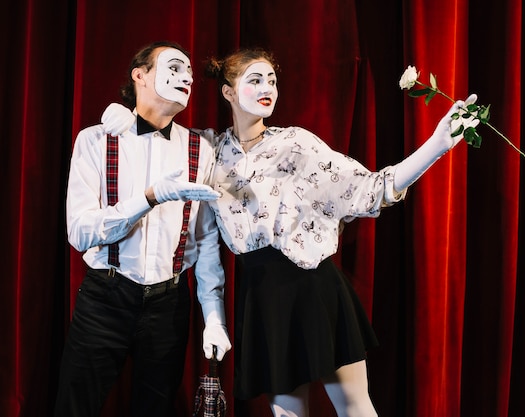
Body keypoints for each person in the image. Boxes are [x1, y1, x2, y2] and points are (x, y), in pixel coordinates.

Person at [103, 47, 477, 417]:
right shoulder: (207, 149)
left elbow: (371, 189)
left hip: (314, 287)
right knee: (287, 416)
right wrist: (123, 114)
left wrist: (437, 147)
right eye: (255, 80)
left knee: (355, 408)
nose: (268, 87)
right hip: (261, 297)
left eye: (272, 80)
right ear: (228, 92)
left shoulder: (297, 143)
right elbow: (158, 137)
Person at [56, 41, 232, 417]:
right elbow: (80, 232)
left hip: (169, 304)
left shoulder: (200, 149)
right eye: (173, 68)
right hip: (105, 297)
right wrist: (148, 198)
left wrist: (214, 318)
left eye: (189, 73)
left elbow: (204, 242)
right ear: (140, 75)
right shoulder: (97, 139)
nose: (186, 77)